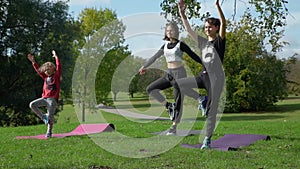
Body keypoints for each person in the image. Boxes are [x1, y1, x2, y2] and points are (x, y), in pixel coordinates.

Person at [139, 22, 205, 135]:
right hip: (168, 74)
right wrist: (144, 66)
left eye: (172, 30)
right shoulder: (164, 46)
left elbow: (193, 55)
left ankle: (174, 127)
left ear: (176, 32)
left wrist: (205, 65)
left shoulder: (181, 45)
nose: (169, 32)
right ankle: (168, 106)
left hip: (179, 73)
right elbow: (155, 56)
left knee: (178, 100)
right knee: (150, 89)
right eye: (168, 31)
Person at [178, 0, 226, 149]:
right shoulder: (202, 42)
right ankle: (200, 98)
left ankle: (207, 139)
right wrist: (182, 13)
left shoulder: (219, 42)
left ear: (216, 28)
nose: (207, 29)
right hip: (203, 76)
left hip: (216, 79)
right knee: (179, 84)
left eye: (210, 27)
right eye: (205, 27)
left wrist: (217, 6)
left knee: (212, 111)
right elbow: (189, 29)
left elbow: (224, 23)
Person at [27, 50, 62, 138]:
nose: (46, 71)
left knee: (50, 115)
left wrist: (56, 57)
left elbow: (59, 66)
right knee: (32, 105)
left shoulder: (56, 76)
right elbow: (38, 71)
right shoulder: (45, 77)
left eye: (48, 69)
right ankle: (43, 117)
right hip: (44, 98)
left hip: (52, 100)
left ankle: (49, 132)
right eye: (45, 70)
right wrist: (34, 62)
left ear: (53, 69)